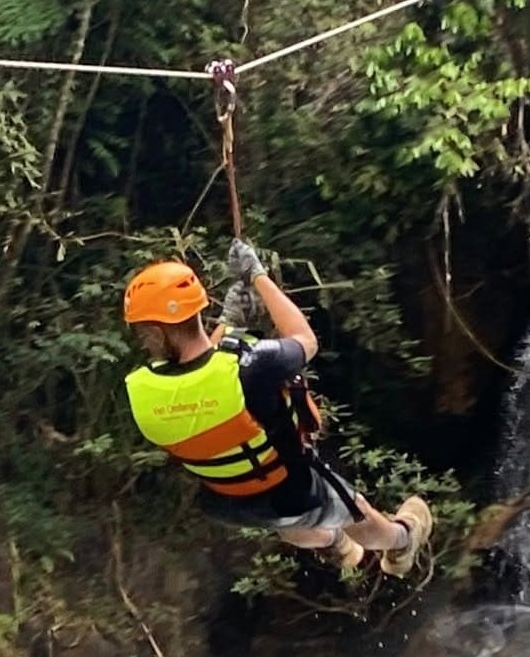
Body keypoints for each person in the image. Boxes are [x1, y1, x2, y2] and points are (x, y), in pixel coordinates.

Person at [123, 244, 432, 576]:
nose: (142, 340)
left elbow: (197, 377)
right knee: (355, 511)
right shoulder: (253, 365)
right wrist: (259, 276)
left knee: (289, 523)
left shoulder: (142, 391)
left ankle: (335, 546)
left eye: (142, 331)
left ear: (156, 331)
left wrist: (229, 321)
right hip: (290, 493)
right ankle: (402, 541)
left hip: (229, 504)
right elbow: (305, 340)